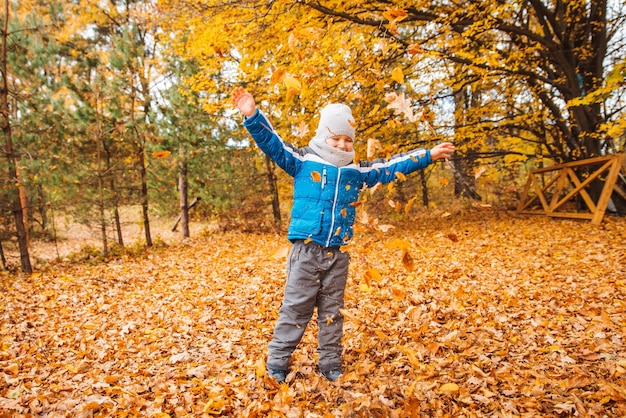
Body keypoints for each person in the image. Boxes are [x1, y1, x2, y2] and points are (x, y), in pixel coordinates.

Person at [232, 87, 455, 383]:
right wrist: (252, 115)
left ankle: (330, 364)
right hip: (306, 250)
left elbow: (393, 167)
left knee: (332, 312)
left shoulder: (357, 171)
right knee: (296, 309)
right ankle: (277, 362)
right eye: (335, 138)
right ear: (322, 136)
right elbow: (273, 144)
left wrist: (428, 155)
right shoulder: (303, 161)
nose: (340, 144)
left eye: (347, 140)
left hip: (338, 253)